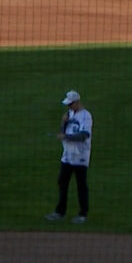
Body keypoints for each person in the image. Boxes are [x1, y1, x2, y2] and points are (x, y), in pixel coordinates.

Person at [46, 90, 92, 224]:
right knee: (62, 183)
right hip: (67, 155)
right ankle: (60, 212)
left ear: (77, 102)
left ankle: (83, 214)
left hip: (80, 155)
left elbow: (84, 135)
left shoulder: (86, 116)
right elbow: (62, 133)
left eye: (71, 104)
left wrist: (66, 136)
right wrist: (63, 124)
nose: (69, 107)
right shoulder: (69, 114)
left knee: (81, 185)